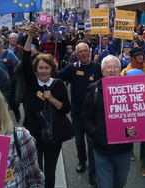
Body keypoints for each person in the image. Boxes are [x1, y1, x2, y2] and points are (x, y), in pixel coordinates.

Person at [22, 22, 71, 188]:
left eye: (46, 68)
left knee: (50, 173)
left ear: (52, 69)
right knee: (36, 171)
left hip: (53, 134)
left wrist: (53, 100)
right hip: (33, 134)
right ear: (35, 69)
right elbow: (25, 57)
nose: (43, 71)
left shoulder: (57, 84)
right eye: (40, 68)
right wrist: (30, 36)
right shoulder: (31, 82)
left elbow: (66, 109)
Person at [82, 55, 136, 188]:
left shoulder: (131, 88)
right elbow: (85, 116)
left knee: (120, 182)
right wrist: (96, 133)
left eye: (115, 67)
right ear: (103, 71)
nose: (112, 70)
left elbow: (139, 115)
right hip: (102, 149)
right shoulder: (94, 89)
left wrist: (135, 129)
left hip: (124, 149)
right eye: (109, 67)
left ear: (120, 69)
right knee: (105, 185)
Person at [56, 42, 102, 187]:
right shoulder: (72, 68)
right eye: (80, 51)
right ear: (76, 54)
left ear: (89, 52)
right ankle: (82, 160)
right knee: (79, 140)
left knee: (92, 141)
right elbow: (57, 78)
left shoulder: (96, 66)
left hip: (94, 113)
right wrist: (52, 66)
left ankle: (93, 173)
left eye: (85, 51)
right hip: (77, 112)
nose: (83, 54)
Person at [120, 47, 145, 177]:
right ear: (132, 58)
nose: (140, 57)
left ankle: (143, 163)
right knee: (130, 131)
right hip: (130, 109)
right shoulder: (125, 72)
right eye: (137, 56)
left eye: (142, 55)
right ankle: (130, 149)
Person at [0, 37, 21, 122]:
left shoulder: (9, 53)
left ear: (0, 45)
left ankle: (17, 112)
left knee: (11, 99)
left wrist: (8, 61)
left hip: (10, 80)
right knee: (0, 100)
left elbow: (18, 65)